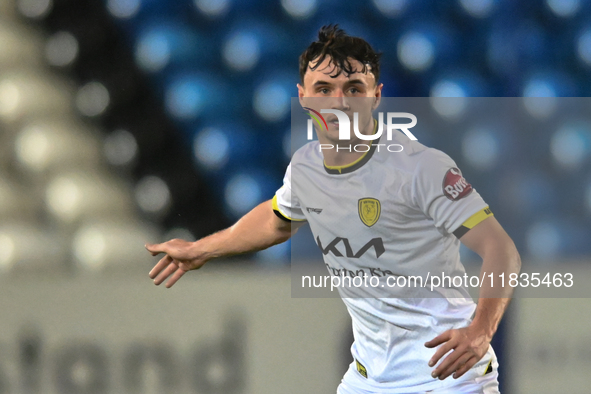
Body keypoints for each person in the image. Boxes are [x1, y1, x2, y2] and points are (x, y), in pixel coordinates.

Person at [146, 25, 521, 394]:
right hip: (368, 379)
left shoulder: (421, 168)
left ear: (376, 96)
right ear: (303, 98)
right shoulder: (306, 166)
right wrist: (200, 249)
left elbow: (501, 250)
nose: (339, 102)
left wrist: (480, 332)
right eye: (324, 89)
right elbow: (277, 221)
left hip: (447, 376)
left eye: (353, 89)